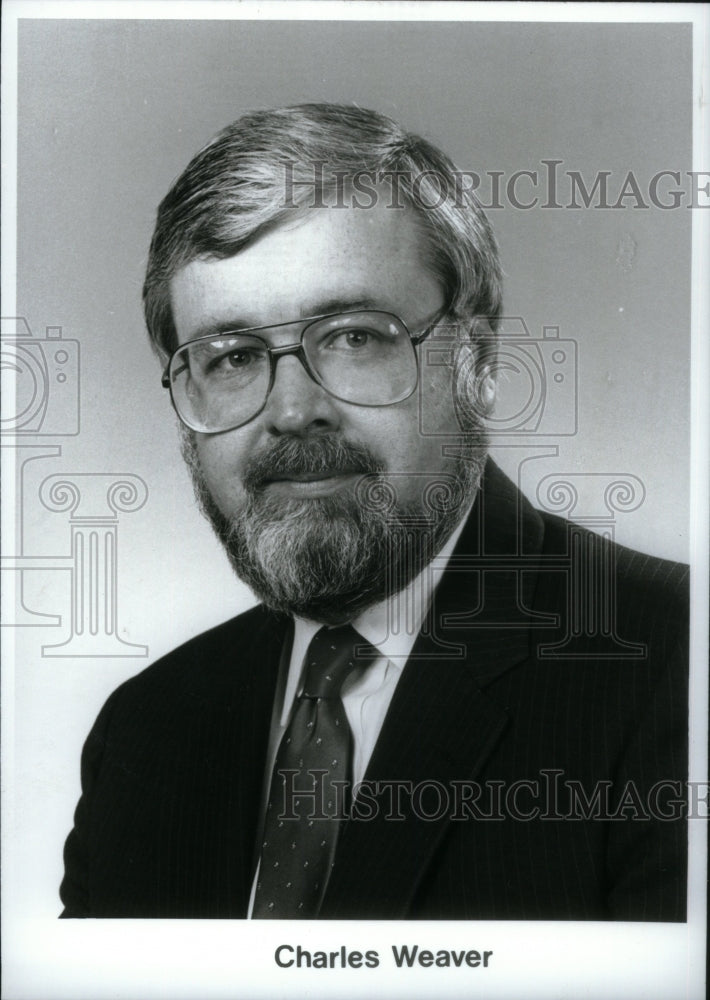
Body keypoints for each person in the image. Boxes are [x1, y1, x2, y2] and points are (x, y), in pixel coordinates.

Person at [59, 103, 688, 921]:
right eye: (233, 357)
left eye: (355, 336)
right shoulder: (145, 730)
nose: (291, 411)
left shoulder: (675, 664)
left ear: (481, 364)